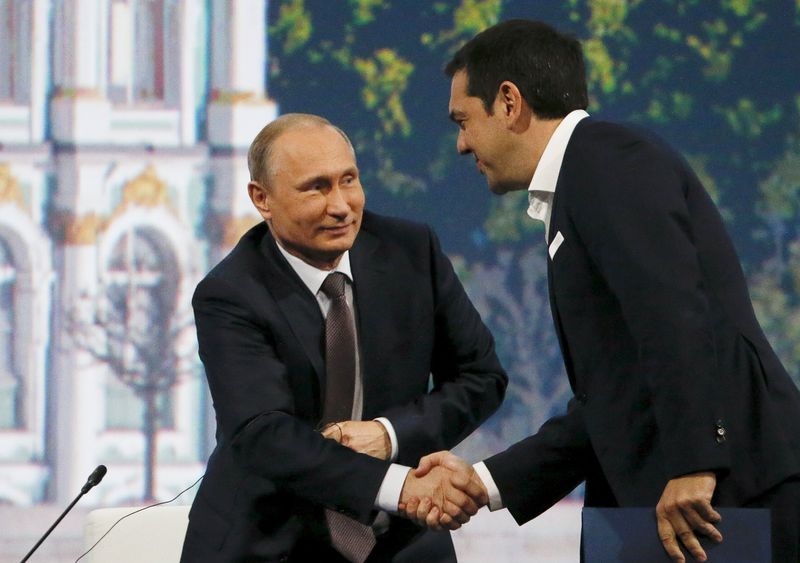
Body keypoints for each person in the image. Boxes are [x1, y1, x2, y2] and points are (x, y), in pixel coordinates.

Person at [406, 19, 800, 563]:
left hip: (722, 499)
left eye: (464, 121)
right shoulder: (585, 177)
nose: (460, 143)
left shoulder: (605, 161)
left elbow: (676, 312)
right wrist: (484, 480)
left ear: (510, 102)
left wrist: (694, 461)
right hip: (678, 506)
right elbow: (615, 397)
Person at [180, 113, 506, 562]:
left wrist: (388, 435)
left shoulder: (412, 252)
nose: (341, 205)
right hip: (271, 542)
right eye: (316, 187)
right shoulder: (231, 293)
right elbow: (263, 433)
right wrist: (398, 484)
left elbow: (480, 376)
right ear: (262, 199)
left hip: (402, 543)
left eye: (348, 180)